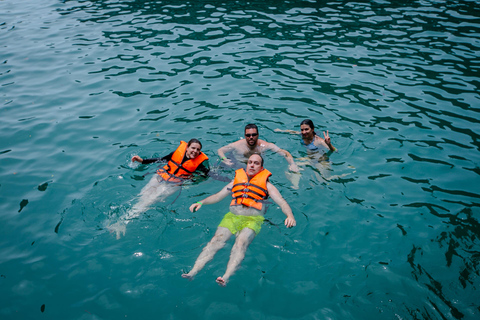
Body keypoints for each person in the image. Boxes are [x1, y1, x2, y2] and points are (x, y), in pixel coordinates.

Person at [182, 154, 296, 287]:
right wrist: (201, 202)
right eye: (250, 162)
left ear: (261, 167)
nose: (252, 165)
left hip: (252, 219)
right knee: (216, 240)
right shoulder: (236, 180)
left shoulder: (267, 185)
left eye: (256, 163)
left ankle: (226, 276)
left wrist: (290, 216)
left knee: (240, 242)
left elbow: (282, 202)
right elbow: (218, 196)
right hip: (232, 217)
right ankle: (193, 272)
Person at [108, 139, 209, 239]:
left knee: (148, 201)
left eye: (198, 149)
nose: (195, 151)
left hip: (172, 184)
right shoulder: (177, 153)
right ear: (187, 147)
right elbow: (161, 159)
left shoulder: (199, 164)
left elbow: (207, 175)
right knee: (142, 196)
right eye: (193, 148)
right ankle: (120, 220)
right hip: (160, 177)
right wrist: (142, 161)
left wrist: (192, 181)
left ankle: (122, 222)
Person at [217, 124, 299, 173]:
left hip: (255, 166)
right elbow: (220, 150)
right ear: (245, 136)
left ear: (258, 135)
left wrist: (292, 164)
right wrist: (224, 159)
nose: (251, 137)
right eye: (248, 135)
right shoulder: (238, 145)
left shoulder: (265, 146)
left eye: (254, 135)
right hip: (237, 163)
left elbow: (285, 153)